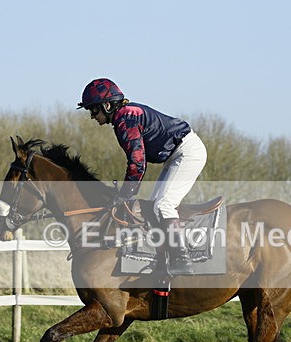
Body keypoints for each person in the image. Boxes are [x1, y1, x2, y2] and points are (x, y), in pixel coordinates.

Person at [77, 78, 207, 274]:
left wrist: (126, 194)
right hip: (176, 155)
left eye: (93, 110)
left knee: (163, 205)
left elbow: (137, 163)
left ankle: (182, 259)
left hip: (187, 152)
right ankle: (163, 258)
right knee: (153, 207)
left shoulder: (126, 118)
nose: (92, 116)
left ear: (107, 105)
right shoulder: (125, 116)